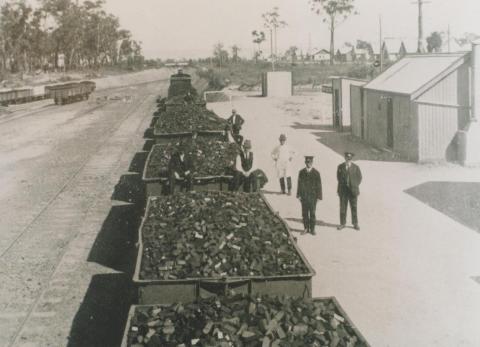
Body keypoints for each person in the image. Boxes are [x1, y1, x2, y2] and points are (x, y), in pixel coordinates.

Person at [296, 156, 322, 235]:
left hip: (313, 197)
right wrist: (298, 195)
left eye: (310, 162)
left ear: (312, 163)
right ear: (305, 163)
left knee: (312, 213)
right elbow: (299, 184)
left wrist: (319, 197)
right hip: (304, 196)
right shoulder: (301, 172)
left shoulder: (316, 173)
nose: (308, 164)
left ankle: (312, 229)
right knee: (304, 213)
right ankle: (306, 228)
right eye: (307, 162)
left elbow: (319, 185)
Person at [336, 152, 362, 230]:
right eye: (347, 158)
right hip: (343, 191)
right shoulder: (340, 167)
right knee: (343, 207)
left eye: (350, 158)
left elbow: (359, 177)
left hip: (353, 191)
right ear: (345, 158)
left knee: (354, 207)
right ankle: (342, 223)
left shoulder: (356, 167)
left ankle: (355, 223)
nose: (348, 159)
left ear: (351, 159)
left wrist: (354, 185)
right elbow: (338, 177)